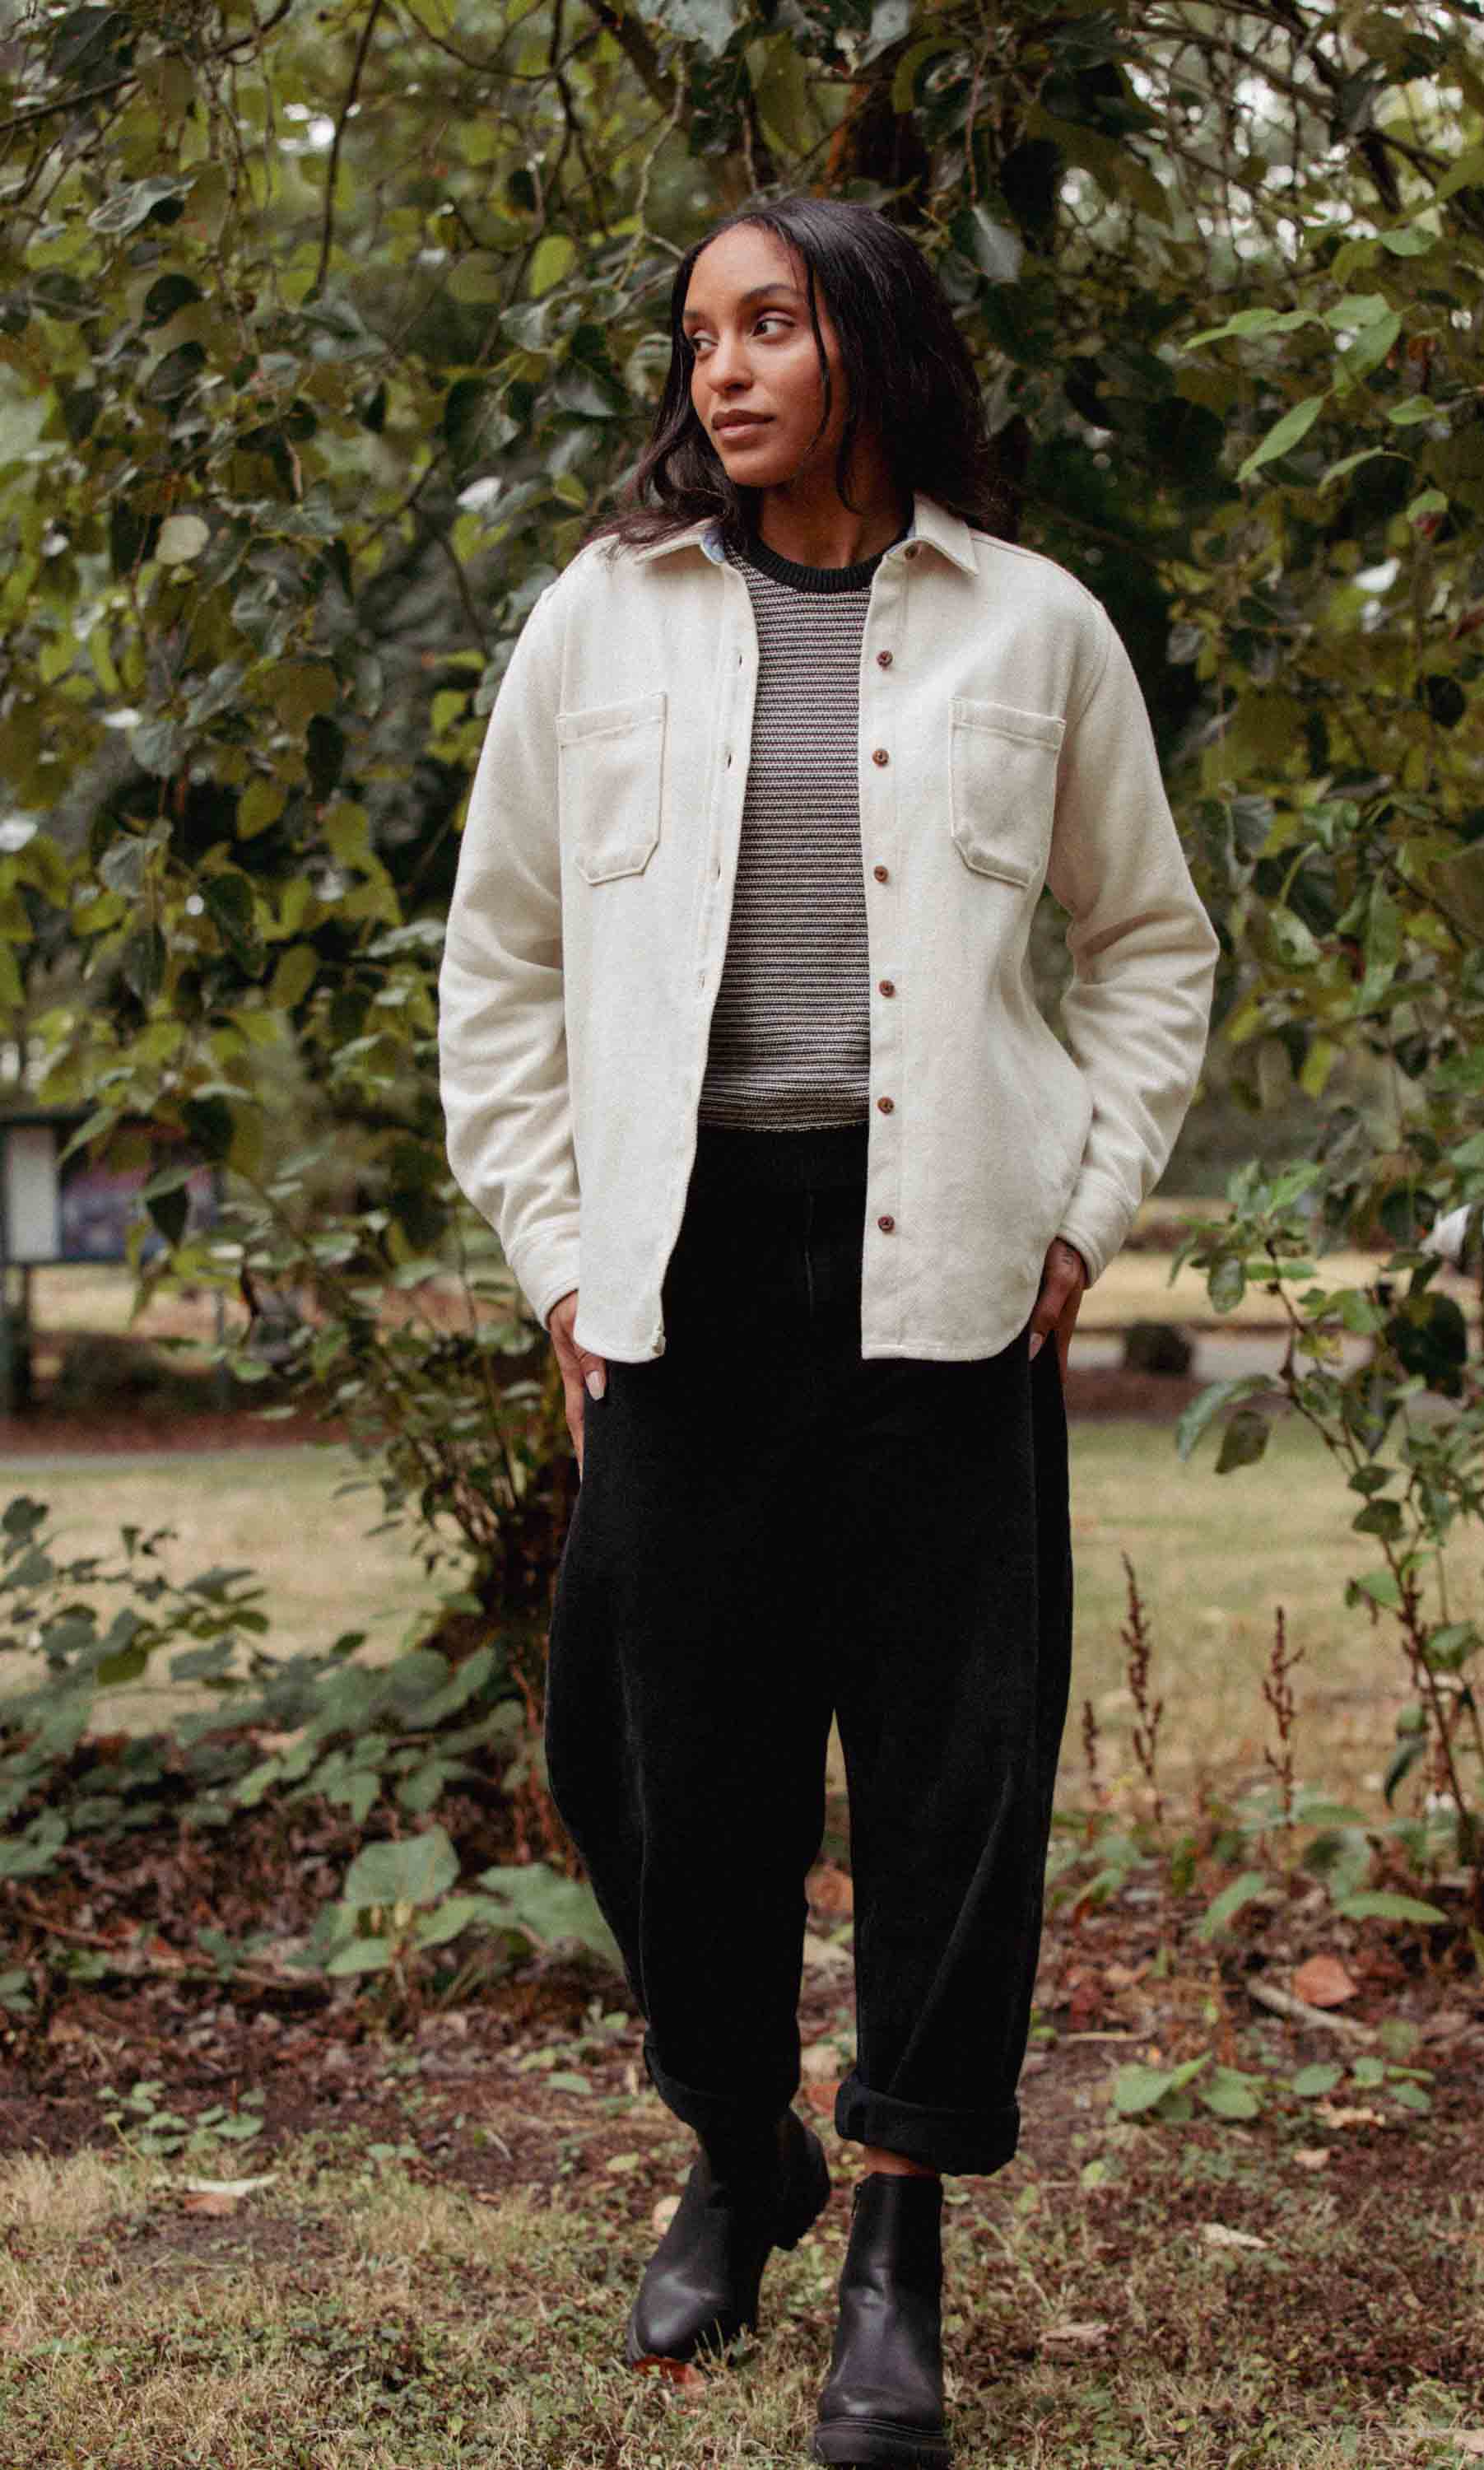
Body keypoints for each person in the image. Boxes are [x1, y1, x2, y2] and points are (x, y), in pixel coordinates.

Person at [437, 194, 1218, 2470]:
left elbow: (1148, 947)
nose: (725, 370)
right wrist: (564, 1262)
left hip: (947, 1264)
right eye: (698, 333)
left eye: (771, 324)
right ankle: (736, 2141)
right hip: (681, 1270)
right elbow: (498, 967)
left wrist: (1074, 1222)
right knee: (650, 1762)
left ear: (868, 342)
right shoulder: (600, 623)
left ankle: (894, 2236)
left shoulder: (1035, 629)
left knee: (955, 1772)